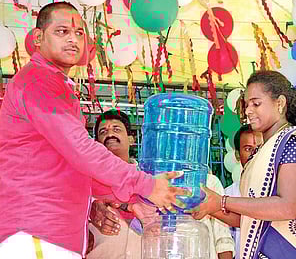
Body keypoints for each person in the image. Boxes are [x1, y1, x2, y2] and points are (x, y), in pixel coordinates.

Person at [0, 2, 186, 259]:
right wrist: (147, 185)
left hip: (50, 235)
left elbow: (75, 167)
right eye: (61, 31)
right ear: (38, 37)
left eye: (79, 33)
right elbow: (81, 149)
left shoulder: (55, 83)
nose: (73, 39)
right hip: (37, 230)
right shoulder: (39, 80)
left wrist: (131, 199)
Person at [191, 70, 296, 259]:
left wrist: (223, 201)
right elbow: (251, 221)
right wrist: (211, 207)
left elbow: (288, 206)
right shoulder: (264, 151)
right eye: (246, 104)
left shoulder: (292, 142)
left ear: (280, 103)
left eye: (256, 103)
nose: (248, 111)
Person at [87, 110, 235, 259]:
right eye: (103, 131)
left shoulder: (153, 180)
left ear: (131, 139)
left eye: (116, 129)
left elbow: (224, 237)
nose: (110, 134)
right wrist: (90, 210)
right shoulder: (86, 180)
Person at [224, 124, 259, 258]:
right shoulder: (227, 196)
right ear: (238, 155)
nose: (255, 154)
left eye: (259, 148)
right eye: (248, 149)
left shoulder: (281, 192)